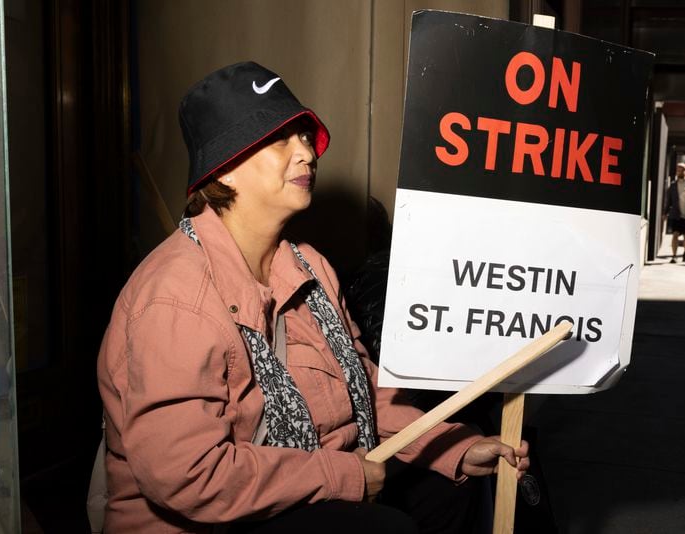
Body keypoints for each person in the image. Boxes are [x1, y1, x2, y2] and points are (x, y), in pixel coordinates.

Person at [96, 61, 530, 534]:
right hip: (208, 520)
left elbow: (364, 391)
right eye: (280, 140)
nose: (306, 153)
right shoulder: (174, 300)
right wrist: (340, 476)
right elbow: (190, 476)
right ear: (226, 173)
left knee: (450, 494)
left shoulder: (309, 266)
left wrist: (455, 448)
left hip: (309, 482)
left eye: (304, 136)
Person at [664, 162, 685, 263]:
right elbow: (669, 201)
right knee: (675, 234)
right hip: (676, 214)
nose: (679, 171)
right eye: (678, 169)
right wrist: (665, 213)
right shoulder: (673, 185)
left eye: (682, 169)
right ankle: (674, 256)